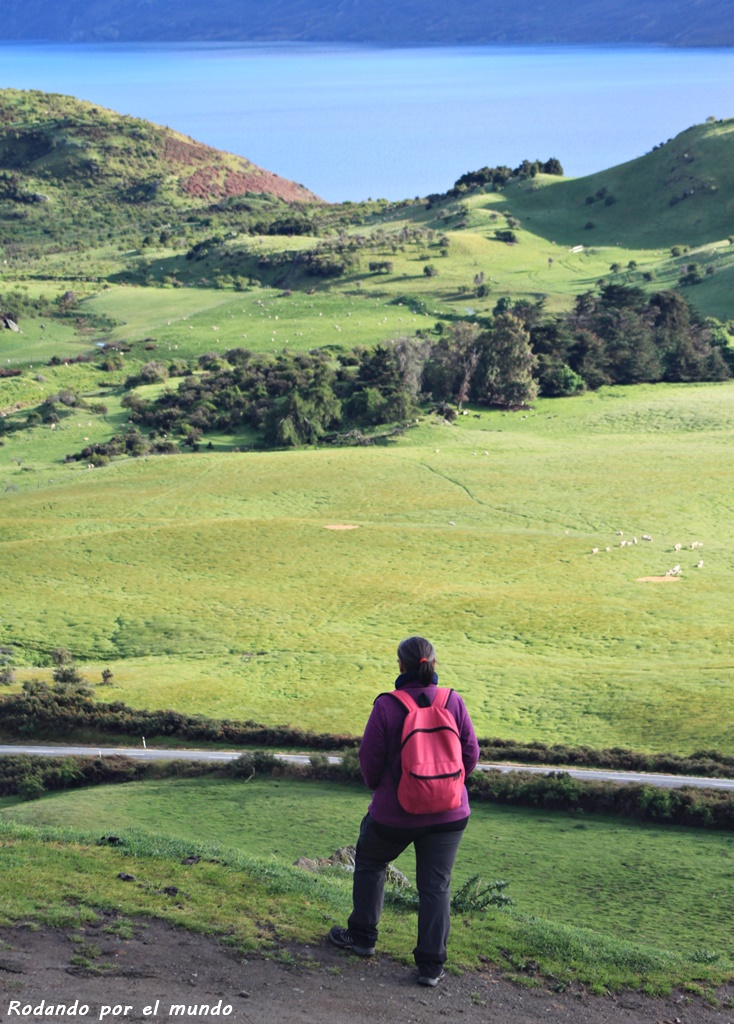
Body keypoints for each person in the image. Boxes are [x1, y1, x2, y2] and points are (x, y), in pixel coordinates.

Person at [328, 635, 480, 987]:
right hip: (449, 814)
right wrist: (446, 788)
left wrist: (385, 789)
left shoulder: (387, 706)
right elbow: (470, 756)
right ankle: (431, 967)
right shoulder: (453, 701)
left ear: (400, 665)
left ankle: (363, 938)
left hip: (394, 814)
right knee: (436, 887)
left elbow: (368, 764)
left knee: (369, 860)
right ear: (433, 664)